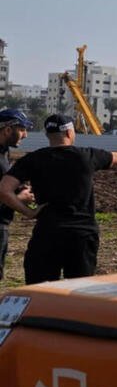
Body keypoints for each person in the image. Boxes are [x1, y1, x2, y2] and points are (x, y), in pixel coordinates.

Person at [0, 114, 117, 284]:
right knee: (79, 290)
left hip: (47, 233)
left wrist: (29, 212)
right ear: (69, 133)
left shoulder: (32, 160)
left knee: (40, 289)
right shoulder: (87, 156)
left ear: (48, 135)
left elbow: (5, 190)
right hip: (82, 236)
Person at [0, 109, 34, 280]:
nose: (25, 135)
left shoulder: (4, 152)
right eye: (22, 129)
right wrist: (19, 199)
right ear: (7, 130)